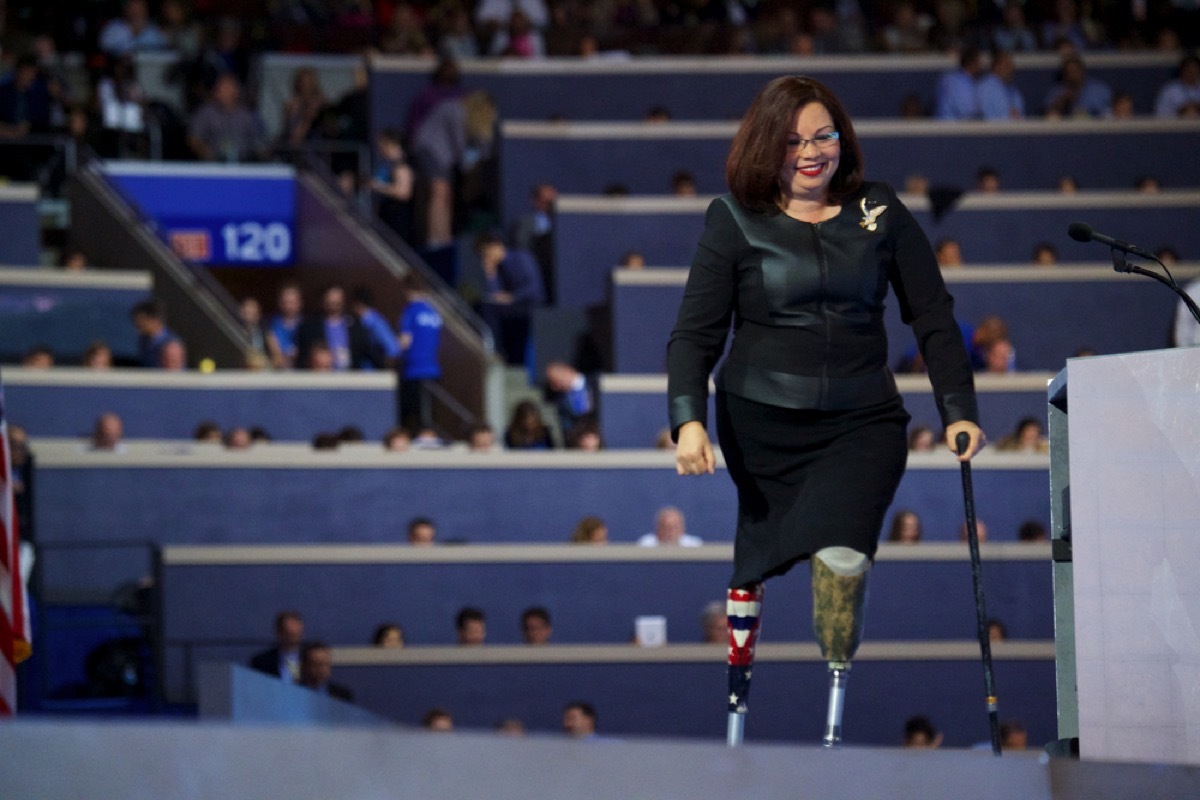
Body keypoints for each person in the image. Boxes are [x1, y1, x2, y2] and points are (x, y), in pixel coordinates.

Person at [668, 76, 983, 747]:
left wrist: (957, 404)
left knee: (843, 556)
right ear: (766, 148)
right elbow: (695, 333)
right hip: (763, 423)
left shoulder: (880, 209)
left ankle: (834, 709)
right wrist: (687, 418)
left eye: (823, 136)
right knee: (761, 554)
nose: (811, 152)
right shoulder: (733, 218)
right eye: (793, 141)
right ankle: (740, 716)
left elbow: (931, 313)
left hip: (862, 419)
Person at [477, 231, 545, 366]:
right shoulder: (499, 268)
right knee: (484, 306)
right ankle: (495, 351)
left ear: (496, 246)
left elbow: (534, 289)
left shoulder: (521, 258)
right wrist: (490, 273)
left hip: (529, 305)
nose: (486, 256)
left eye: (486, 252)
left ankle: (494, 350)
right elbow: (494, 294)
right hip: (512, 308)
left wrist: (512, 297)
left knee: (490, 310)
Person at [396, 275, 443, 430]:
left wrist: (391, 355)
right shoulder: (433, 312)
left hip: (413, 369)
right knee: (428, 411)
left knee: (411, 414)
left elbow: (405, 341)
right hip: (432, 368)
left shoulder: (410, 312)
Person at [187, 73, 267, 163]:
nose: (225, 91)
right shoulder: (205, 113)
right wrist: (207, 154)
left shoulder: (247, 114)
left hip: (244, 164)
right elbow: (193, 139)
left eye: (229, 87)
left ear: (237, 90)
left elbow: (259, 142)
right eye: (222, 87)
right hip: (212, 164)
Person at [295, 285, 374, 370]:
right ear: (323, 300)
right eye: (330, 301)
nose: (333, 303)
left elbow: (368, 352)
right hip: (321, 377)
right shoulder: (309, 327)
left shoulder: (355, 325)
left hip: (350, 376)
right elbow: (303, 357)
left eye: (337, 302)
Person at [371, 128, 416, 242]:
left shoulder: (401, 166)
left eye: (382, 145)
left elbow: (404, 193)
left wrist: (378, 186)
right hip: (387, 215)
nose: (380, 149)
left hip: (398, 217)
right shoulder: (388, 165)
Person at [1043, 55, 1112, 119]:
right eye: (1069, 72)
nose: (1072, 76)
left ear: (1082, 71)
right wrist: (1062, 101)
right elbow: (1047, 116)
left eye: (1075, 71)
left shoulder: (1099, 89)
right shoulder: (1056, 92)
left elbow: (1107, 114)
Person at [543, 361, 597, 442]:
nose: (554, 388)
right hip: (573, 444)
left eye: (555, 381)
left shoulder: (595, 383)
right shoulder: (559, 399)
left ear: (567, 372)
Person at [249, 611, 305, 683]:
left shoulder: (309, 661)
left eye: (295, 635)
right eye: (288, 634)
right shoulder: (262, 662)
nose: (292, 639)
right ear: (278, 633)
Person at [933, 47, 984, 120]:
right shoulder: (960, 83)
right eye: (978, 62)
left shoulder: (948, 77)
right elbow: (969, 114)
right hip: (952, 128)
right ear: (972, 63)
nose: (980, 66)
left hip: (941, 126)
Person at [130, 299, 180, 368]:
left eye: (141, 325)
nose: (137, 329)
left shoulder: (171, 347)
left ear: (154, 320)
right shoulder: (144, 340)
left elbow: (173, 376)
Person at [267, 283, 304, 369]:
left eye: (292, 302)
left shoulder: (307, 325)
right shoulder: (272, 324)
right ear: (280, 303)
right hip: (279, 371)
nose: (289, 306)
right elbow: (275, 352)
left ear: (299, 303)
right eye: (285, 302)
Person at [637, 506, 702, 547]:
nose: (670, 532)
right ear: (658, 528)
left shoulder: (694, 545)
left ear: (682, 529)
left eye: (674, 528)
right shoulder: (645, 544)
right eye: (666, 528)